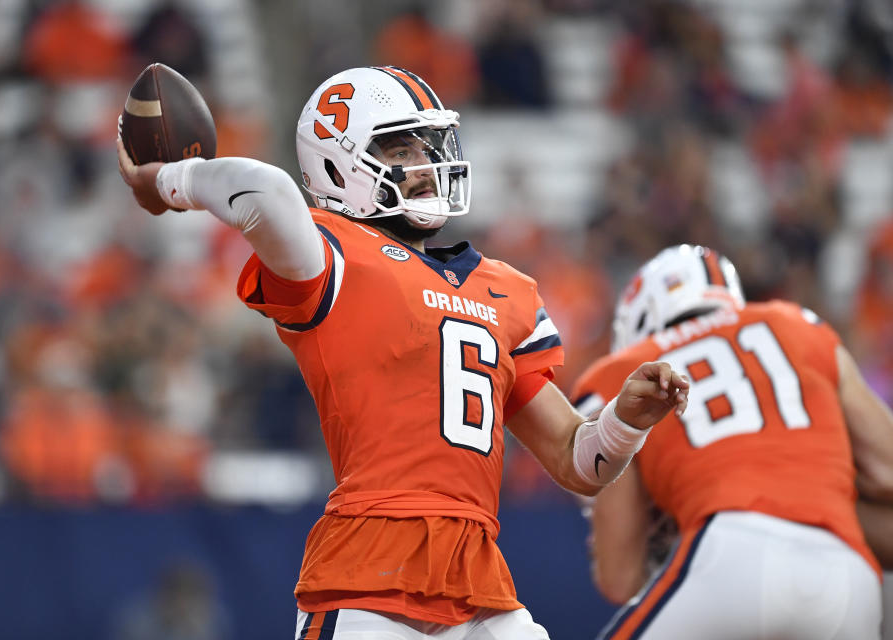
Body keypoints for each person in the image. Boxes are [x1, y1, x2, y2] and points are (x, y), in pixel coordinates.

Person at [116, 65, 690, 639]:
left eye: (427, 146)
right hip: (369, 574)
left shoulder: (505, 289)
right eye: (399, 149)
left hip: (479, 581)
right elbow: (266, 191)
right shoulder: (331, 256)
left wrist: (626, 420)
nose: (424, 165)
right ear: (338, 165)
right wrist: (167, 179)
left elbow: (578, 460)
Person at [570, 244, 893, 639]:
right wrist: (816, 483)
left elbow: (619, 578)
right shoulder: (801, 324)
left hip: (730, 554)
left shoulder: (619, 373)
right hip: (849, 575)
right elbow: (886, 471)